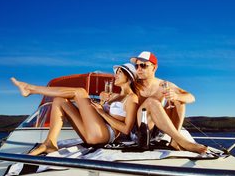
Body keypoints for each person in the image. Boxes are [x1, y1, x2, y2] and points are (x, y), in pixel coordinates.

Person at [11, 63, 139, 155]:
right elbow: (101, 113)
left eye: (119, 72)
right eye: (115, 72)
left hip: (106, 134)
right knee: (60, 101)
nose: (115, 75)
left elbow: (126, 129)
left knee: (80, 92)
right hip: (94, 133)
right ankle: (50, 143)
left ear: (129, 77)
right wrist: (101, 104)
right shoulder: (114, 95)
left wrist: (101, 112)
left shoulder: (132, 98)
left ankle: (31, 88)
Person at [130, 51, 207, 154]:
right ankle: (183, 141)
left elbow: (191, 97)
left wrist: (177, 96)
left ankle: (175, 141)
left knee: (179, 101)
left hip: (157, 132)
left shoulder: (163, 84)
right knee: (151, 101)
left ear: (154, 68)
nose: (139, 69)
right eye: (137, 66)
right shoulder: (132, 84)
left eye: (143, 65)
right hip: (139, 132)